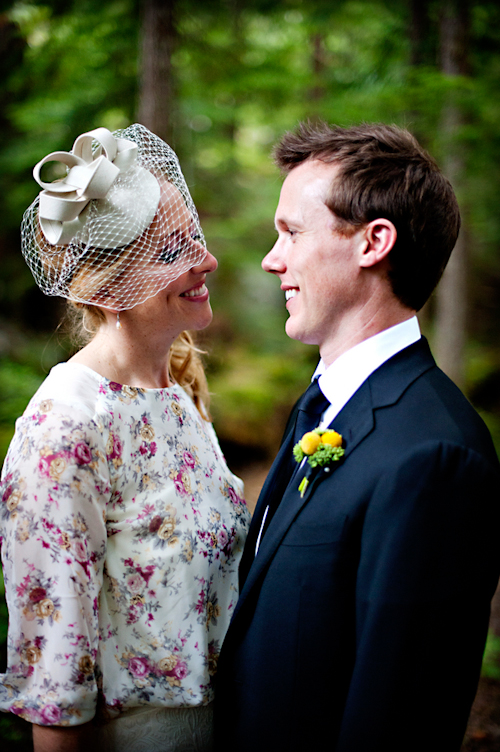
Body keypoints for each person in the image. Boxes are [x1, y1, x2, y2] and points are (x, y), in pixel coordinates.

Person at [214, 122, 500, 752]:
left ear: (373, 242)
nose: (272, 258)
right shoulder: (324, 405)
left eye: (292, 232)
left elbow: (400, 720)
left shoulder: (435, 457)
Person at [0, 123, 250, 751]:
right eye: (174, 251)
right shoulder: (65, 428)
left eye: (194, 234)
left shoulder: (178, 396)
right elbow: (55, 680)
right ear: (109, 291)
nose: (208, 259)